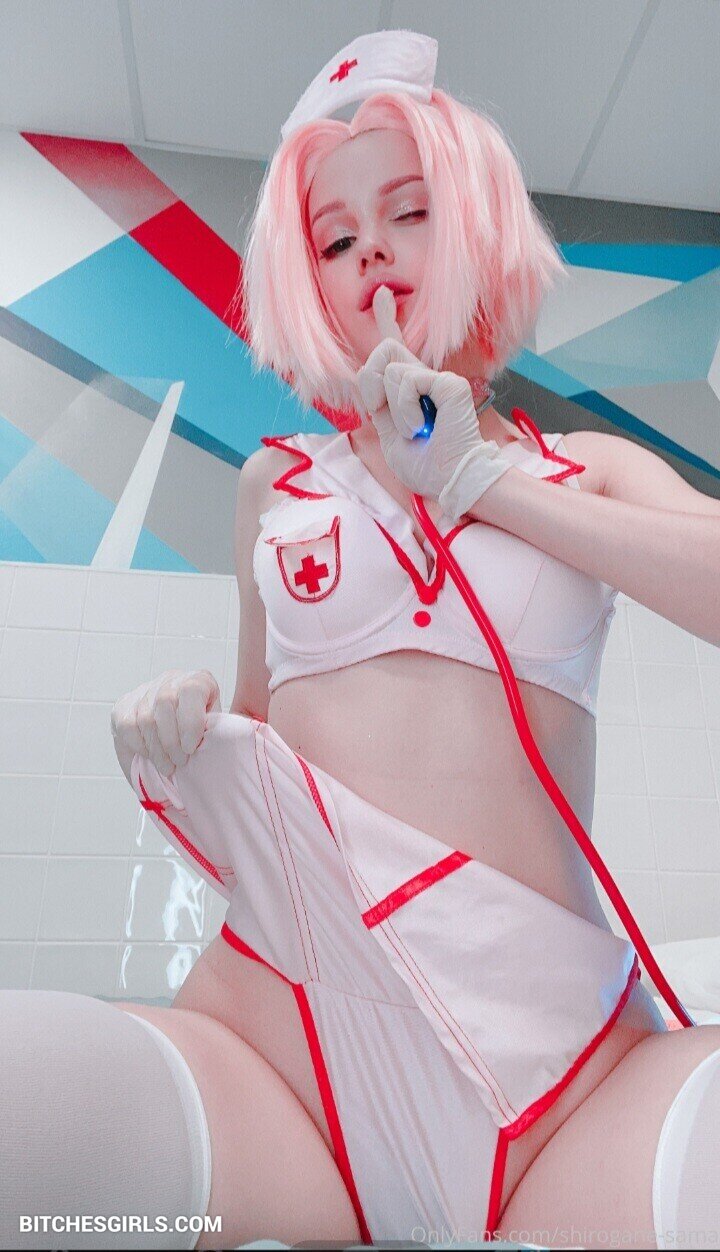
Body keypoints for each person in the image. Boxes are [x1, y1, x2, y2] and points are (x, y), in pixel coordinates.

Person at [3, 29, 720, 1252]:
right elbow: (261, 734)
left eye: (409, 212)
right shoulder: (273, 488)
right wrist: (186, 736)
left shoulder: (583, 470)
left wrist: (490, 487)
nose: (371, 252)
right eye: (334, 240)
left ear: (478, 230)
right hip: (282, 1060)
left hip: (568, 1095)